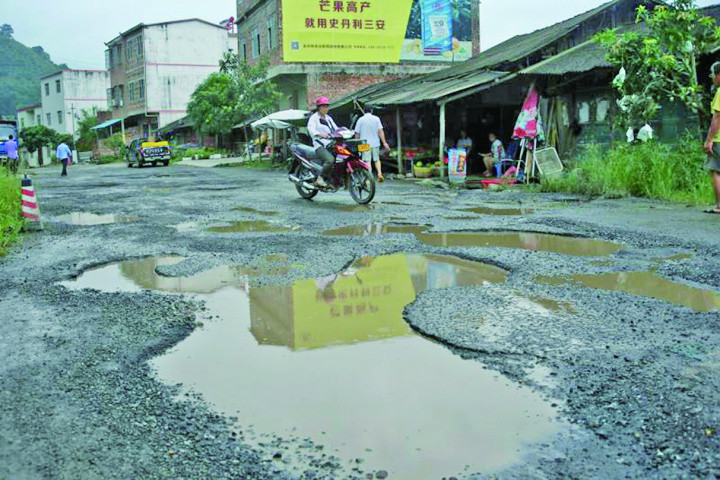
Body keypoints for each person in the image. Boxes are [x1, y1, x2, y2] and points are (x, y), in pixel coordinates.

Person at [307, 96, 339, 187]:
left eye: (327, 106)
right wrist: (321, 134)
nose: (325, 108)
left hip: (330, 143)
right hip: (319, 144)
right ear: (318, 107)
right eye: (323, 106)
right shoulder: (314, 118)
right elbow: (311, 130)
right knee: (330, 160)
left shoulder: (328, 118)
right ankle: (320, 178)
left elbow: (336, 129)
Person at [355, 105, 390, 182]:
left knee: (367, 161)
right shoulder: (376, 119)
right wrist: (384, 143)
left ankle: (369, 178)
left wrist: (357, 143)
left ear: (364, 110)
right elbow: (380, 131)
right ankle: (379, 174)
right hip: (375, 143)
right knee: (377, 160)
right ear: (372, 110)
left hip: (364, 143)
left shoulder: (360, 120)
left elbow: (357, 133)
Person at [703, 61, 720, 214]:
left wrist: (709, 140)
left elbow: (717, 118)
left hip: (719, 139)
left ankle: (719, 205)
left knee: (715, 170)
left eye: (713, 74)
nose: (712, 78)